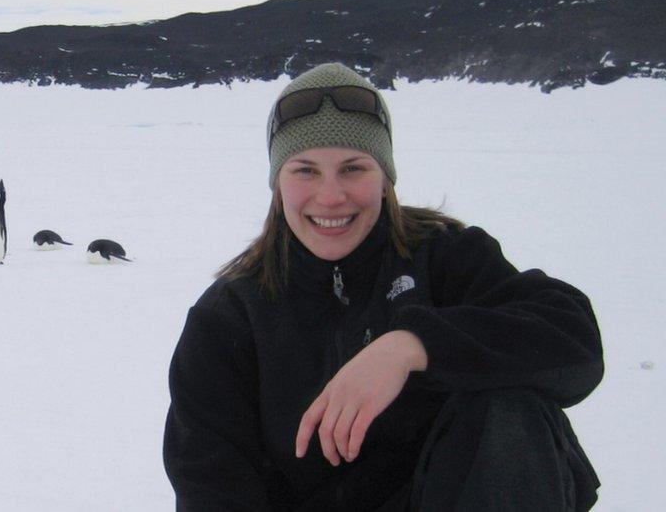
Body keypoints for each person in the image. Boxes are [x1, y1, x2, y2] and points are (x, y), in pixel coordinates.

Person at [163, 63, 602, 511]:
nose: (331, 196)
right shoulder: (230, 314)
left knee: (510, 406)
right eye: (306, 170)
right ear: (277, 183)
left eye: (353, 168)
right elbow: (209, 484)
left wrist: (412, 345)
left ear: (386, 177)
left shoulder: (446, 258)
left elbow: (573, 343)